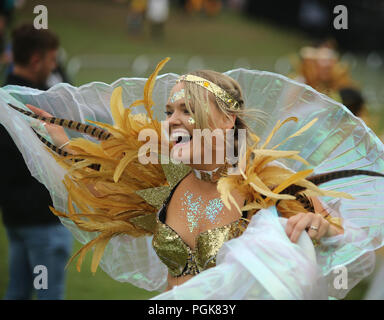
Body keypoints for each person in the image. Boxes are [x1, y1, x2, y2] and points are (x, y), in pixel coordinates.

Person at [1, 58, 384, 299]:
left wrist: (320, 225)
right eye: (170, 111)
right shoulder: (166, 181)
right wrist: (61, 140)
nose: (173, 121)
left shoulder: (268, 189)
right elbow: (98, 185)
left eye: (188, 109)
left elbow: (347, 237)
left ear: (227, 119)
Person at [0, 24, 72, 300]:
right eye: (52, 60)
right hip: (44, 220)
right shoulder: (38, 104)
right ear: (35, 60)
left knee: (17, 291)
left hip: (15, 219)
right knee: (49, 294)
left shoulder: (6, 94)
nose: (54, 67)